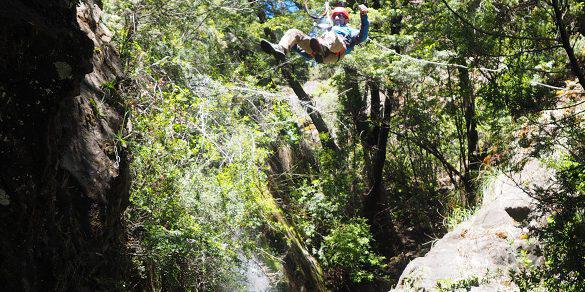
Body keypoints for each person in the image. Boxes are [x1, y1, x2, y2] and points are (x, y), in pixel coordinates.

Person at [260, 4, 369, 64]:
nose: (336, 17)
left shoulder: (349, 30)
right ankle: (281, 49)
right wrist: (295, 47)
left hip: (337, 51)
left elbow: (362, 37)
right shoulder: (327, 33)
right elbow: (308, 55)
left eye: (340, 15)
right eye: (335, 16)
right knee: (294, 32)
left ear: (346, 20)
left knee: (330, 33)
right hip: (322, 53)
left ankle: (322, 49)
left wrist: (363, 15)